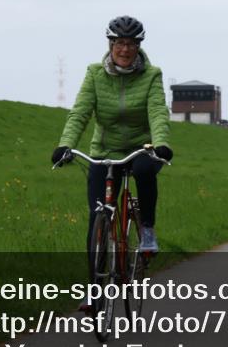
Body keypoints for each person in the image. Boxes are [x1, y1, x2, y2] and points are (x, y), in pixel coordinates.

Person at [51, 16, 173, 298]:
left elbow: (157, 111)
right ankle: (94, 288)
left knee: (144, 171)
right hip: (105, 151)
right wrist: (65, 145)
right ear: (110, 44)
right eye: (119, 43)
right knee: (98, 216)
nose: (125, 49)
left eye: (131, 43)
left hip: (142, 147)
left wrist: (161, 144)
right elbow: (80, 112)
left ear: (138, 46)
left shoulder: (151, 75)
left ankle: (147, 229)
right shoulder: (95, 73)